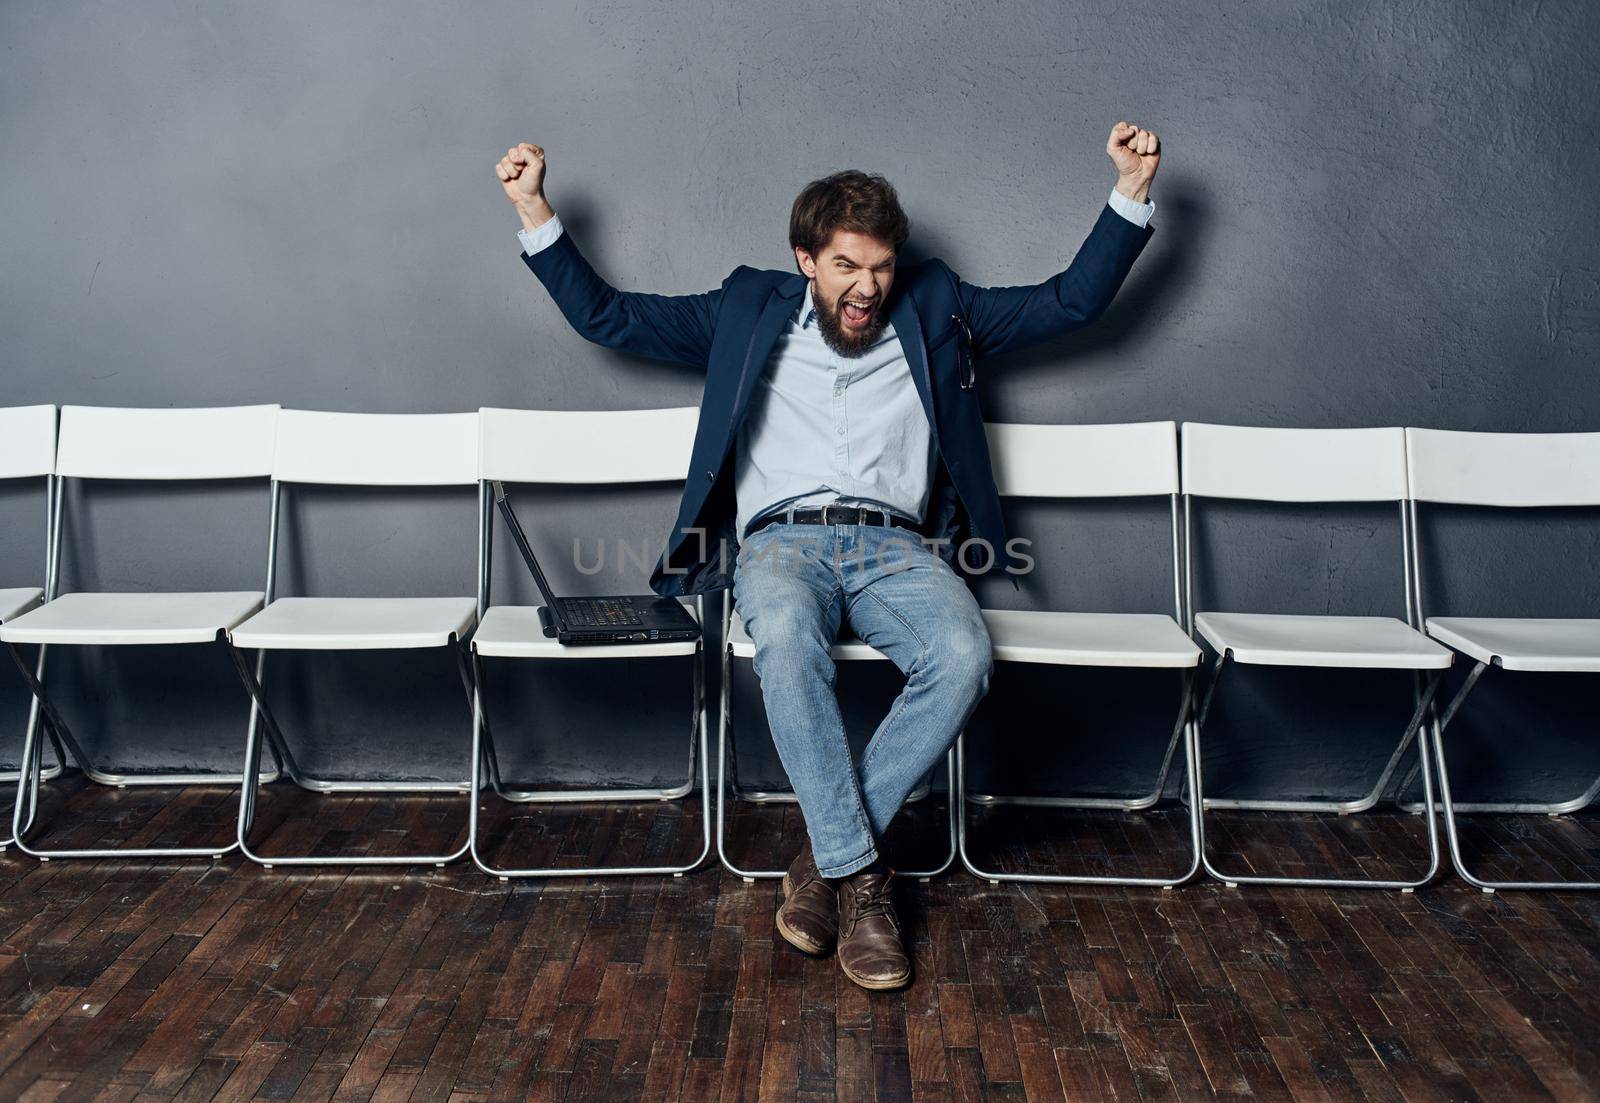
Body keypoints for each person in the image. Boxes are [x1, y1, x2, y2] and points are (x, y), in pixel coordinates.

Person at [495, 124, 1161, 990]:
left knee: (963, 655)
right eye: (847, 266)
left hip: (897, 547)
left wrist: (1132, 190)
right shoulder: (744, 306)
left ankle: (826, 865)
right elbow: (609, 316)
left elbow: (1070, 303)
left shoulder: (937, 306)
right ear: (805, 259)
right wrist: (533, 207)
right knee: (781, 638)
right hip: (783, 543)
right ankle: (867, 885)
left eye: (880, 266)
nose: (867, 287)